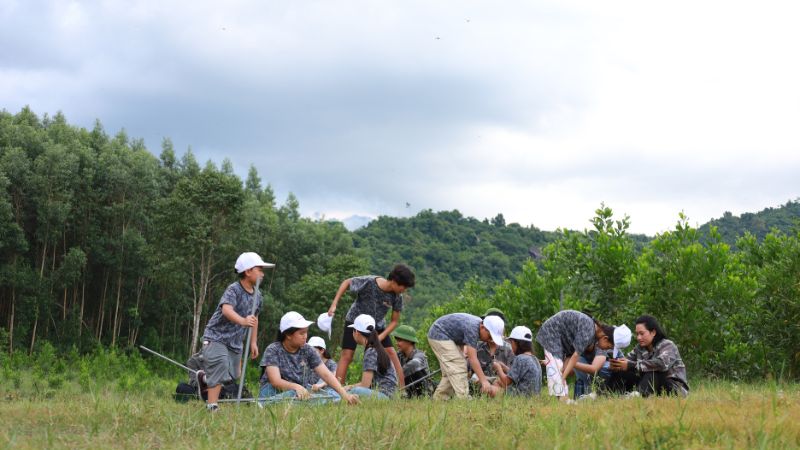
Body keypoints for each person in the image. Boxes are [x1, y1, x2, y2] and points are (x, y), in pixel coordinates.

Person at [197, 252, 272, 412]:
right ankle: (212, 407)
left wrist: (253, 342)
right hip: (216, 337)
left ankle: (204, 378)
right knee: (220, 365)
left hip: (235, 342)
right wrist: (243, 321)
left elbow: (255, 318)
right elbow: (226, 309)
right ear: (248, 271)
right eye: (259, 269)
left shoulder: (258, 295)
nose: (263, 273)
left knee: (233, 375)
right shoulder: (234, 289)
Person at [327, 264, 415, 387]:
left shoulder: (397, 296)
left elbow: (394, 321)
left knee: (391, 352)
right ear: (394, 281)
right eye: (403, 286)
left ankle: (402, 391)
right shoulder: (370, 282)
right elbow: (347, 283)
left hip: (376, 326)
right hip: (354, 321)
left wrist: (382, 336)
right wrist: (334, 304)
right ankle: (337, 390)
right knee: (347, 355)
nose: (404, 290)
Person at [259, 312, 358, 405]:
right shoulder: (273, 350)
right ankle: (267, 404)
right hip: (273, 391)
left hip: (300, 392)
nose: (305, 336)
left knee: (335, 396)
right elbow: (275, 381)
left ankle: (297, 402)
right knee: (294, 394)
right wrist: (296, 387)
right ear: (288, 335)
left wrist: (345, 395)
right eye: (301, 333)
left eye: (306, 332)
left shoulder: (307, 349)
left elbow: (326, 374)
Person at [535, 310, 615, 401]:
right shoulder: (589, 330)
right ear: (605, 338)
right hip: (552, 333)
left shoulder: (592, 333)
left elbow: (571, 356)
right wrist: (562, 377)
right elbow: (575, 356)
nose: (605, 349)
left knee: (559, 372)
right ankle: (564, 401)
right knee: (558, 375)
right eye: (608, 346)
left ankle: (564, 401)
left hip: (564, 342)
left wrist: (562, 372)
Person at [427, 312, 505, 400]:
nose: (490, 340)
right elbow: (472, 358)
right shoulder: (472, 329)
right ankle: (464, 398)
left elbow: (459, 334)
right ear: (483, 327)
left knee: (451, 370)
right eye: (490, 336)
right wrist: (484, 381)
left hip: (447, 336)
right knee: (458, 365)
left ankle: (439, 399)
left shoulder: (477, 326)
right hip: (439, 334)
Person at [608, 315, 689, 397]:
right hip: (650, 385)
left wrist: (630, 365)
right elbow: (627, 362)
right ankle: (606, 394)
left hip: (673, 388)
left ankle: (637, 396)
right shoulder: (639, 348)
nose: (639, 337)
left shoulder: (667, 345)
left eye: (642, 333)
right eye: (637, 334)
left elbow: (661, 364)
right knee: (622, 372)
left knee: (653, 370)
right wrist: (618, 365)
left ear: (653, 332)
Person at [345, 314, 398, 399]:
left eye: (353, 330)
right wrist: (349, 387)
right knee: (350, 390)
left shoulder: (371, 351)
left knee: (354, 391)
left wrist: (348, 388)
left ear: (357, 332)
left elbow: (365, 385)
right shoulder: (376, 348)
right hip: (387, 395)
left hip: (384, 396)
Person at [492, 326, 542, 397]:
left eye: (511, 342)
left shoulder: (520, 358)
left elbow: (507, 382)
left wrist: (498, 368)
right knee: (497, 382)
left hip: (521, 396)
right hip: (534, 396)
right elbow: (519, 373)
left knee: (489, 389)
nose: (511, 346)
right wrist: (503, 367)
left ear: (517, 343)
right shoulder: (534, 358)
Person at [472, 308, 515, 385]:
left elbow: (513, 375)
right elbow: (470, 374)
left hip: (501, 387)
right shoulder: (478, 347)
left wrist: (502, 368)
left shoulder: (509, 349)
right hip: (480, 386)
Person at [391, 324, 435, 398]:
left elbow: (415, 364)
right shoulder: (399, 355)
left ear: (409, 341)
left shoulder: (420, 355)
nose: (397, 343)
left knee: (415, 370)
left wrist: (397, 374)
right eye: (396, 340)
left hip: (423, 392)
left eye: (399, 341)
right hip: (407, 390)